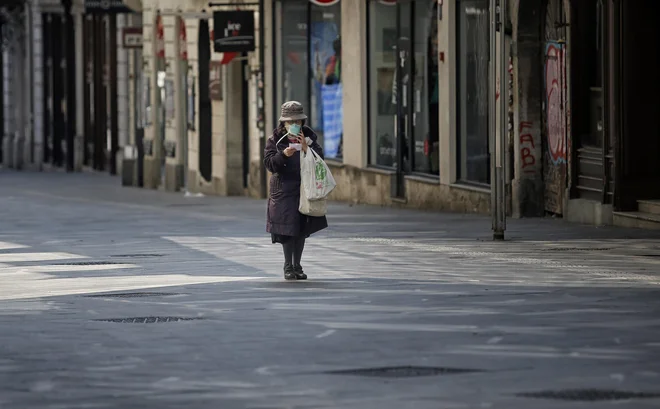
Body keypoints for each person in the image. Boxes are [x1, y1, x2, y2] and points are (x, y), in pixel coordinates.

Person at [264, 101, 328, 280]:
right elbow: (269, 164)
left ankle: (297, 265)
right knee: (287, 229)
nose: (294, 125)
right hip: (283, 189)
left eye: (297, 122)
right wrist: (283, 155)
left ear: (302, 122)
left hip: (304, 187)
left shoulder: (309, 137)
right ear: (283, 123)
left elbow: (320, 160)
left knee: (301, 228)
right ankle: (287, 266)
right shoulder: (275, 139)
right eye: (290, 122)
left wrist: (307, 148)